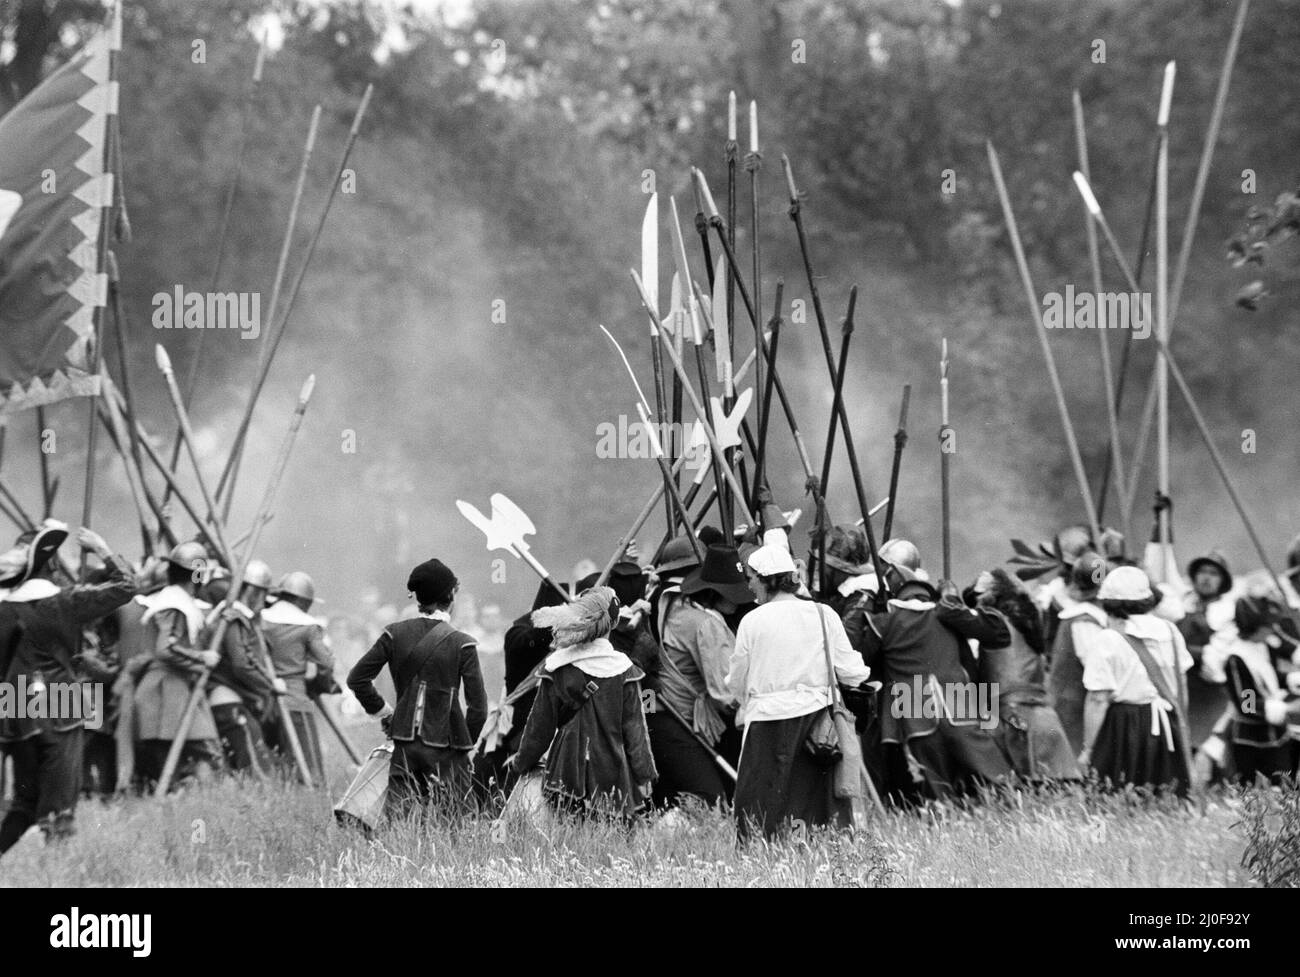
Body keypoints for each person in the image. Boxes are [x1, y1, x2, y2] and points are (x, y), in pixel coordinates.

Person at [0, 524, 136, 856]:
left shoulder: (3, 610)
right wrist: (101, 547)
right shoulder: (65, 601)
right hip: (61, 701)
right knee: (60, 806)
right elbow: (127, 586)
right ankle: (58, 878)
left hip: (15, 705)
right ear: (50, 565)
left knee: (25, 802)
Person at [727, 543, 873, 839]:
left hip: (766, 723)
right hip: (815, 724)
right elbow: (852, 671)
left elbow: (737, 681)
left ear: (767, 578)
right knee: (813, 803)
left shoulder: (752, 622)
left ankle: (764, 859)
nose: (750, 584)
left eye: (752, 577)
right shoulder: (823, 614)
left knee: (762, 803)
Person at [848, 564, 1012, 804]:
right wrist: (951, 599)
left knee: (937, 789)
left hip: (914, 708)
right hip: (957, 701)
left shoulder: (883, 623)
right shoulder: (945, 615)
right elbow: (992, 639)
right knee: (991, 769)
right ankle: (1009, 801)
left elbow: (860, 660)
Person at [348, 558, 487, 818]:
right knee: (457, 825)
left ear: (419, 599)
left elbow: (357, 679)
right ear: (450, 597)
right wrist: (463, 745)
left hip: (404, 741)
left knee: (398, 824)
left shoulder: (393, 633)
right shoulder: (463, 644)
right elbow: (478, 708)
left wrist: (385, 713)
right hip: (448, 746)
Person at [509, 586, 657, 819]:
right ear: (615, 622)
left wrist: (520, 764)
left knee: (564, 845)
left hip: (564, 775)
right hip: (613, 776)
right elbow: (636, 734)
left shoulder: (557, 667)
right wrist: (644, 776)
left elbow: (538, 729)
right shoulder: (626, 672)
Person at [1081, 566, 1195, 796]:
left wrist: (1089, 748)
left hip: (1123, 726)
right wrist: (1180, 724)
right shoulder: (1170, 631)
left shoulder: (1107, 639)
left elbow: (1097, 699)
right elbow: (1182, 689)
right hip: (1167, 723)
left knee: (1117, 800)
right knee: (1165, 801)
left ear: (1108, 602)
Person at [654, 544, 748, 808]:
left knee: (667, 800)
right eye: (732, 593)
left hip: (660, 716)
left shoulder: (674, 607)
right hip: (678, 721)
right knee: (709, 800)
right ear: (715, 592)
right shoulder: (706, 625)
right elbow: (726, 696)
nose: (738, 599)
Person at [971, 568, 1080, 781]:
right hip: (1041, 712)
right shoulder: (1030, 618)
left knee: (1009, 782)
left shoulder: (993, 623)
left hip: (1005, 712)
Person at [132, 542, 223, 787]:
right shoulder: (173, 604)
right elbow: (167, 648)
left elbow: (184, 640)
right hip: (166, 690)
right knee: (203, 751)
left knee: (193, 754)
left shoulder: (178, 602)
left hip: (176, 688)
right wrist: (201, 658)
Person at [207, 559, 281, 776]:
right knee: (253, 760)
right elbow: (241, 664)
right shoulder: (233, 617)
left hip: (232, 698)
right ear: (252, 591)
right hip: (223, 699)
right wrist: (269, 684)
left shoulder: (241, 617)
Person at [261, 571, 334, 783]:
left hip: (261, 699)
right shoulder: (308, 626)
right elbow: (326, 662)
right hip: (295, 700)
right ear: (302, 600)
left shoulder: (261, 620)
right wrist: (315, 680)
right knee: (308, 768)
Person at [1220, 594, 1300, 783]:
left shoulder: (1262, 646)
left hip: (1276, 734)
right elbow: (1247, 703)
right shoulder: (1236, 657)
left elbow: (1270, 678)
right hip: (1250, 740)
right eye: (1268, 626)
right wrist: (1287, 709)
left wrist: (1292, 679)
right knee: (1254, 792)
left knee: (1285, 787)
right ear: (1253, 626)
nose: (1272, 630)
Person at [1047, 551, 1109, 754]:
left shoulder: (1083, 617)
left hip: (1072, 702)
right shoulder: (1084, 621)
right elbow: (1096, 667)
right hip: (1076, 706)